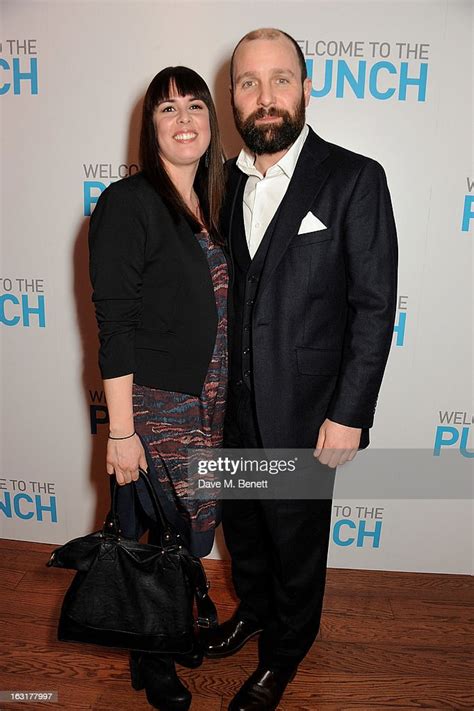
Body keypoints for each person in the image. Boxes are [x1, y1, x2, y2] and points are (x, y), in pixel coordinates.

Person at [203, 28, 398, 711]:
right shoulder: (217, 183)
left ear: (306, 86)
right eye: (248, 82)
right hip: (228, 407)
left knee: (295, 540)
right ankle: (254, 612)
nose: (265, 97)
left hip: (308, 410)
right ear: (231, 97)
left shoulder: (354, 179)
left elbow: (374, 308)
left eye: (280, 79)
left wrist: (349, 412)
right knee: (246, 529)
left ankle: (285, 651)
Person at [88, 66, 227, 711]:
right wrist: (121, 434)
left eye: (195, 106)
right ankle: (152, 658)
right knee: (154, 534)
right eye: (167, 110)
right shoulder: (129, 203)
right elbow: (114, 326)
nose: (184, 120)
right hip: (153, 404)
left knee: (185, 533)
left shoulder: (215, 204)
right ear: (150, 127)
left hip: (210, 401)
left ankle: (158, 643)